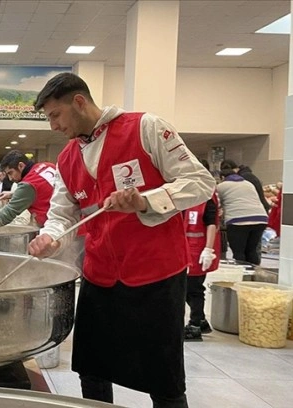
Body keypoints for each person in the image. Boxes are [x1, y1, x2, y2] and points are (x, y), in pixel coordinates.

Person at [27, 72, 215, 408]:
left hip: (156, 274)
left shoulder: (146, 128)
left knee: (164, 378)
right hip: (100, 274)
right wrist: (50, 238)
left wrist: (146, 201)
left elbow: (200, 182)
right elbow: (61, 215)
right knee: (92, 368)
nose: (53, 125)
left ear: (79, 102)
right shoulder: (68, 158)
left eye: (55, 115)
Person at [183, 159, 221, 342]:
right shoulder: (187, 194)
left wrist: (208, 249)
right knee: (183, 288)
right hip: (185, 248)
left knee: (195, 289)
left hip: (199, 250)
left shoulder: (207, 196)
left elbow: (211, 223)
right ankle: (201, 321)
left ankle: (195, 326)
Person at [0, 150, 56, 230]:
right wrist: (12, 194)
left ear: (21, 166)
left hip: (53, 227)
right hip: (66, 220)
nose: (10, 178)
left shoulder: (28, 184)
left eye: (10, 173)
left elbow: (8, 213)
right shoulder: (47, 166)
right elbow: (42, 189)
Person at [216, 167, 268, 265]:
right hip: (260, 218)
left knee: (239, 252)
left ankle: (241, 276)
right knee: (251, 250)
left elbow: (217, 204)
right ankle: (253, 275)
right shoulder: (248, 184)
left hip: (238, 220)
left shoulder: (221, 186)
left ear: (222, 177)